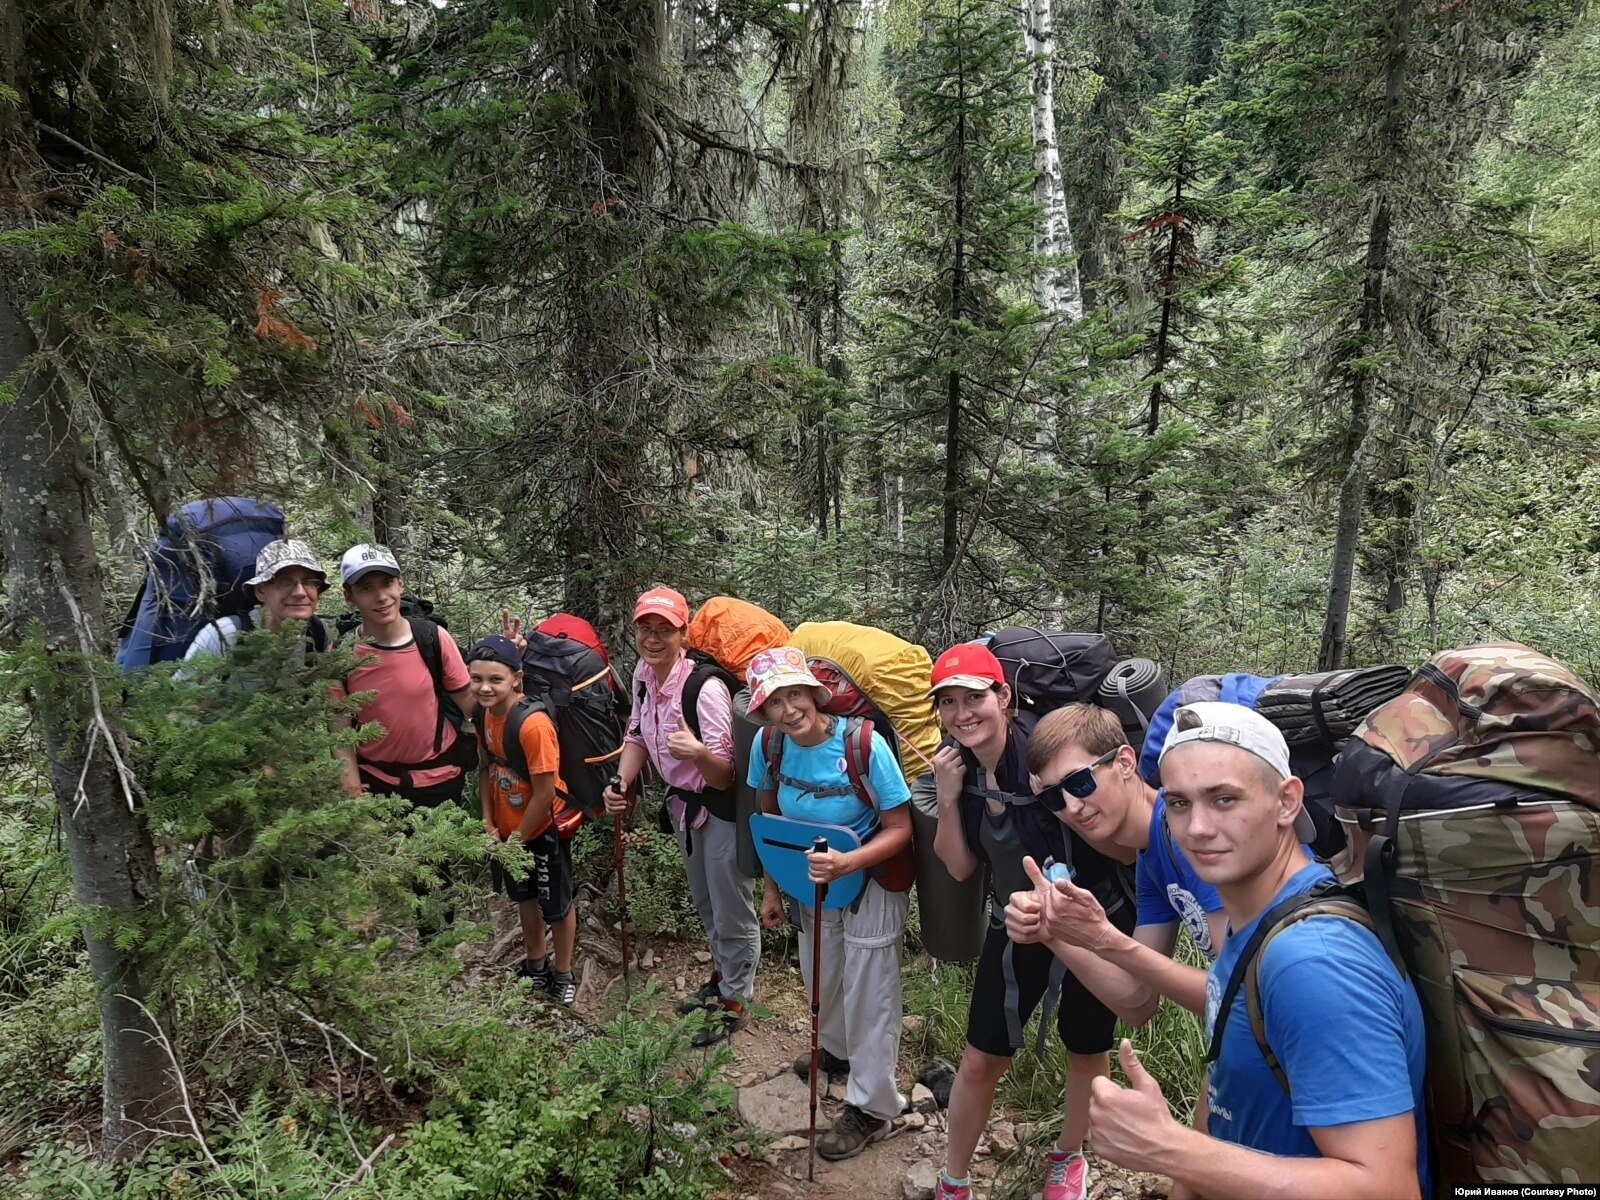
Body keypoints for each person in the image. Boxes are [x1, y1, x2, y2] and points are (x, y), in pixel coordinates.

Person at [1082, 702, 1429, 1200]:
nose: (1197, 828)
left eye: (1224, 799)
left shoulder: (1313, 963)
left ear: (1287, 802)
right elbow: (1223, 1099)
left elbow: (1388, 1189)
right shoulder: (1256, 926)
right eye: (1178, 804)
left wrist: (1167, 1148)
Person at [923, 646, 1134, 1200]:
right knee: (979, 1058)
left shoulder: (1044, 757)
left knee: (1085, 1046)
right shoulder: (958, 766)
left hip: (1092, 918)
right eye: (948, 702)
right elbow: (960, 866)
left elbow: (1113, 840)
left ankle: (1069, 1156)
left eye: (973, 698)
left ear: (1003, 697)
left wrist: (1057, 804)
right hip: (1016, 922)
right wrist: (948, 799)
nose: (962, 713)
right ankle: (954, 1180)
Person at [747, 645, 914, 1162]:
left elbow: (901, 828)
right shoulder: (768, 745)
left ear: (814, 694)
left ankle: (873, 1107)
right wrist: (772, 888)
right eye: (775, 702)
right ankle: (838, 1052)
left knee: (870, 991)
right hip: (811, 878)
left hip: (870, 878)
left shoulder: (864, 744)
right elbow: (769, 818)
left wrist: (850, 863)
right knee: (821, 969)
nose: (788, 710)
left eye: (795, 694)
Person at [1005, 702, 1230, 1022]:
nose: (1071, 807)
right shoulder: (1151, 856)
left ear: (1125, 762)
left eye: (1080, 782)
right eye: (1054, 797)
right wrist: (1051, 931)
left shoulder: (1192, 836)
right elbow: (1138, 1000)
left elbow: (1243, 994)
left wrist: (1105, 937)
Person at [602, 586, 757, 1045]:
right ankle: (722, 978)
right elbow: (636, 734)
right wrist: (621, 782)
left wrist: (698, 753)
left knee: (732, 910)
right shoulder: (644, 676)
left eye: (664, 630)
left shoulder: (704, 690)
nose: (653, 639)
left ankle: (735, 1001)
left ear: (683, 634)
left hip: (722, 810)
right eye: (645, 629)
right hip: (685, 808)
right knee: (707, 903)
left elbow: (726, 775)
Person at [469, 634, 578, 1004]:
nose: (484, 687)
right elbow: (486, 769)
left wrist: (516, 841)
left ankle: (563, 973)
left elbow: (545, 794)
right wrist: (489, 824)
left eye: (495, 679)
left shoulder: (533, 726)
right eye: (477, 678)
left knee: (556, 905)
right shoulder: (482, 714)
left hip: (544, 829)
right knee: (525, 898)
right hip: (508, 831)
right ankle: (536, 964)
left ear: (516, 679)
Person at [332, 544, 476, 806]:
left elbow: (471, 704)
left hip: (440, 778)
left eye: (387, 583)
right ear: (350, 597)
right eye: (366, 588)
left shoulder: (433, 638)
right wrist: (354, 797)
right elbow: (341, 733)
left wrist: (506, 670)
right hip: (376, 784)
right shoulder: (341, 655)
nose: (381, 597)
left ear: (400, 584)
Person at [183, 538, 333, 662]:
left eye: (309, 582)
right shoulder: (225, 635)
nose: (300, 592)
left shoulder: (318, 632)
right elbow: (184, 689)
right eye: (285, 582)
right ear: (260, 591)